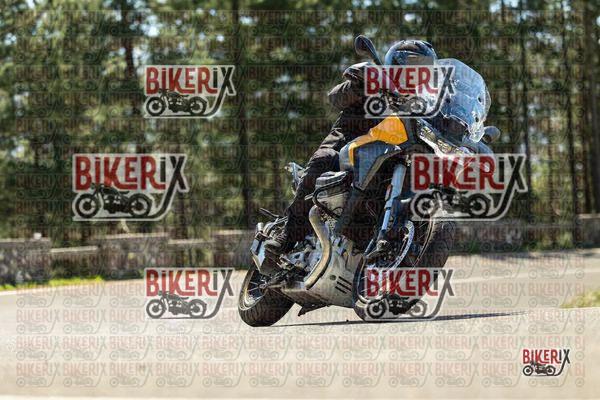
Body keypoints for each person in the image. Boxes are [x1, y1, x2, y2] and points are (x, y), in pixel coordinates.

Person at [265, 40, 438, 255]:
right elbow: (335, 97)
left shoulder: (424, 107)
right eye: (414, 66)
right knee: (324, 159)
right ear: (396, 64)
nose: (418, 74)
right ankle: (287, 235)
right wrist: (359, 85)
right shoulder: (375, 84)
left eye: (425, 69)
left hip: (392, 160)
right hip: (348, 151)